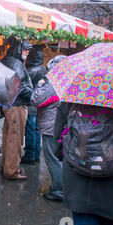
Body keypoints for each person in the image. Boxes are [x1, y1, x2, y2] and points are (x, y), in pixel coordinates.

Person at [30, 55, 66, 202]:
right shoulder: (69, 80)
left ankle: (59, 191)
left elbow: (36, 99)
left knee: (53, 159)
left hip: (52, 126)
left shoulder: (54, 82)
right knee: (61, 159)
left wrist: (40, 84)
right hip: (63, 125)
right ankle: (64, 188)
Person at [0, 37, 34, 180]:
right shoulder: (16, 63)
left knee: (9, 137)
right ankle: (12, 170)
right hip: (17, 105)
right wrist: (32, 95)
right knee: (15, 138)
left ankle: (7, 166)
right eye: (25, 48)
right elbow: (20, 85)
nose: (27, 51)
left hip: (10, 104)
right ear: (18, 48)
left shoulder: (8, 60)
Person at [22, 49, 46, 164]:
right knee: (37, 131)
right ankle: (36, 155)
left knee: (30, 131)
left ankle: (29, 155)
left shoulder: (29, 71)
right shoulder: (44, 70)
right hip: (41, 105)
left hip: (31, 105)